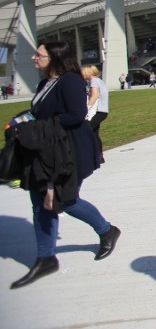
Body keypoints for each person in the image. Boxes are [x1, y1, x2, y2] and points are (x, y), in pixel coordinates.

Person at [9, 41, 120, 289]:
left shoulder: (70, 80)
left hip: (68, 150)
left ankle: (106, 230)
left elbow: (76, 114)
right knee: (41, 203)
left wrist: (38, 127)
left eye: (39, 55)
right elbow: (42, 113)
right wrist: (24, 121)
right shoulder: (44, 83)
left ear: (56, 57)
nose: (34, 58)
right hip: (46, 149)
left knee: (66, 200)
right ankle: (46, 257)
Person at [82, 65, 109, 163]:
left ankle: (92, 155)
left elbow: (94, 96)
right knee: (94, 133)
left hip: (98, 111)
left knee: (86, 130)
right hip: (103, 111)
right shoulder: (99, 81)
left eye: (84, 72)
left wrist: (87, 107)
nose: (82, 74)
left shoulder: (93, 81)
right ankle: (99, 156)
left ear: (90, 73)